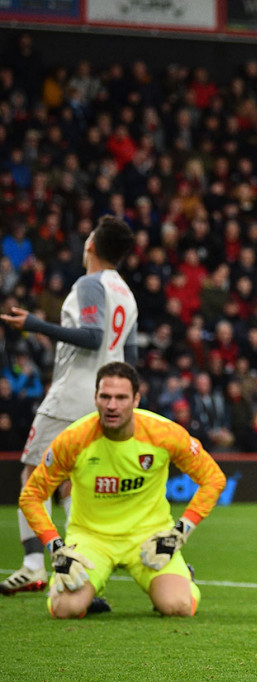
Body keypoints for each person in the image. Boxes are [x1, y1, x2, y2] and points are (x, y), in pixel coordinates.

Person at [18, 362, 226, 618]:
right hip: (91, 538)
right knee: (64, 609)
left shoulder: (164, 433)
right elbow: (31, 495)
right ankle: (87, 597)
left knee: (178, 607)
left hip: (149, 536)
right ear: (95, 398)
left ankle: (183, 577)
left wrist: (180, 532)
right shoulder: (73, 439)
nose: (112, 405)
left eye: (121, 397)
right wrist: (55, 546)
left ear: (136, 399)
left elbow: (213, 478)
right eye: (105, 397)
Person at [1, 215, 139, 597]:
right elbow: (130, 358)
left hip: (71, 396)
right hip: (102, 399)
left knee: (32, 477)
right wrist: (123, 402)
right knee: (69, 483)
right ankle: (80, 566)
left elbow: (92, 338)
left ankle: (33, 566)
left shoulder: (89, 284)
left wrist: (33, 324)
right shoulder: (127, 294)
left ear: (92, 244)